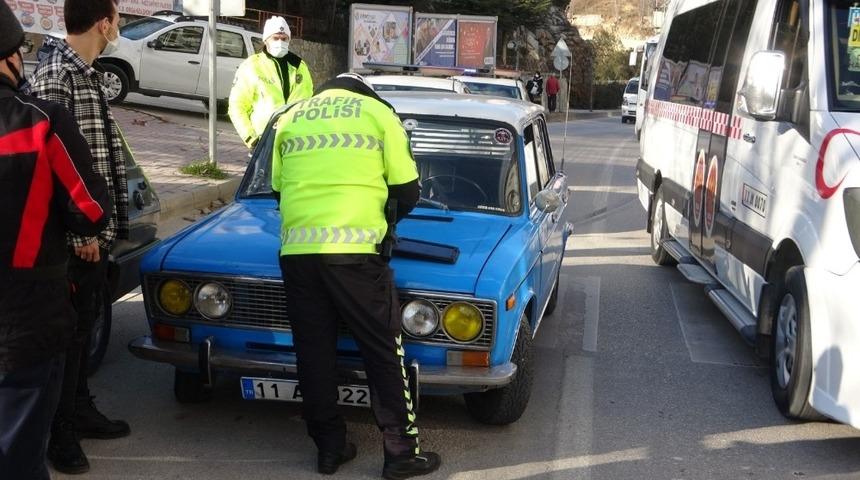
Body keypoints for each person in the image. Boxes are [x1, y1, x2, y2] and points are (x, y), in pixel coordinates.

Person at [272, 73, 441, 479]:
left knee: (313, 353)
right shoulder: (378, 113)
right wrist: (384, 221)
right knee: (383, 350)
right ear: (364, 91)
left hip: (298, 254)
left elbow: (279, 189)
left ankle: (329, 449)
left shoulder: (291, 116)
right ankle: (401, 453)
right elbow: (408, 188)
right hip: (356, 255)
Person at [0, 3, 111, 478]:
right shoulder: (41, 121)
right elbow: (90, 206)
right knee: (20, 453)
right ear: (9, 58)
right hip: (25, 318)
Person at [27, 0, 131, 474]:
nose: (120, 27)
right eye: (118, 18)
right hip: (78, 239)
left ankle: (80, 409)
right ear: (104, 23)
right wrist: (77, 235)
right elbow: (47, 167)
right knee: (67, 339)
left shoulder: (87, 73)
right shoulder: (56, 76)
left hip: (96, 231)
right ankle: (59, 433)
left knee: (84, 328)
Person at [229, 16, 313, 148]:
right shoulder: (252, 66)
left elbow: (309, 104)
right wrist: (251, 138)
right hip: (265, 141)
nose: (280, 42)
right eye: (275, 38)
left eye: (284, 38)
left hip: (296, 141)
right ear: (266, 40)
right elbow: (237, 106)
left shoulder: (299, 66)